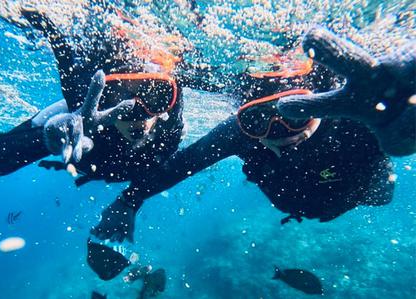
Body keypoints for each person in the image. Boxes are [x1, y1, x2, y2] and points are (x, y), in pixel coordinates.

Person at [92, 27, 396, 243]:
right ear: (243, 117)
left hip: (362, 195)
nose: (278, 131)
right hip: (295, 201)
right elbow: (183, 163)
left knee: (384, 190)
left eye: (295, 113)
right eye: (258, 119)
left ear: (317, 99)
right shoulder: (238, 134)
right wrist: (128, 201)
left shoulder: (354, 117)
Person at [0, 6, 189, 190]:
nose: (135, 110)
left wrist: (130, 200)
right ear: (100, 96)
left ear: (169, 99)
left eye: (153, 93)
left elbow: (160, 172)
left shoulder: (171, 127)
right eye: (116, 94)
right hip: (86, 146)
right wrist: (46, 140)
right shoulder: (75, 115)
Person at [278, 27, 415, 157]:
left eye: (295, 121)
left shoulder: (356, 129)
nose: (283, 132)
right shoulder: (260, 164)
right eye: (258, 122)